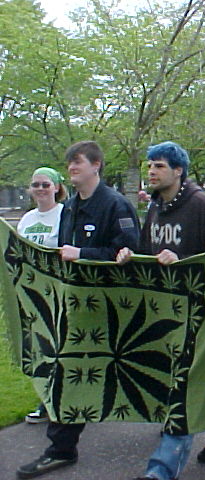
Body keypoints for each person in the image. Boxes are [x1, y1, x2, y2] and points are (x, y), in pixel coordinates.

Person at [116, 141, 205, 480]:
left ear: (178, 170)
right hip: (165, 312)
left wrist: (183, 262)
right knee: (198, 380)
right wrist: (132, 257)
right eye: (149, 166)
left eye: (158, 166)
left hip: (198, 312)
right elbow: (148, 251)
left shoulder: (201, 205)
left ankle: (160, 472)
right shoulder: (156, 207)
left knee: (185, 387)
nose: (151, 171)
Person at [17, 141, 141, 480]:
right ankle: (61, 449)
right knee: (68, 374)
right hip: (74, 307)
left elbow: (130, 254)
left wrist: (84, 254)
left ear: (96, 165)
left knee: (140, 369)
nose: (72, 168)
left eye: (78, 162)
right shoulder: (69, 207)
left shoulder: (116, 206)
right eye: (69, 163)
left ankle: (204, 427)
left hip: (108, 308)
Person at [17, 167, 67, 425]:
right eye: (35, 184)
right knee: (39, 348)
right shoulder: (27, 219)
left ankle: (56, 401)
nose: (40, 189)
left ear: (57, 187)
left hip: (58, 293)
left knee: (58, 348)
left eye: (45, 184)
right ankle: (46, 399)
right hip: (32, 293)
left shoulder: (65, 215)